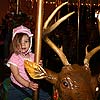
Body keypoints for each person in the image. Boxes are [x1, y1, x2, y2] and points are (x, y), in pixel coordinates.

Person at [6, 25, 39, 100]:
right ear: (15, 44)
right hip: (17, 87)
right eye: (20, 42)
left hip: (31, 85)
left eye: (26, 41)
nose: (23, 44)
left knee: (47, 97)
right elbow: (16, 75)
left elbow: (37, 70)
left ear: (30, 42)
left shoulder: (34, 56)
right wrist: (28, 84)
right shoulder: (14, 58)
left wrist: (39, 65)